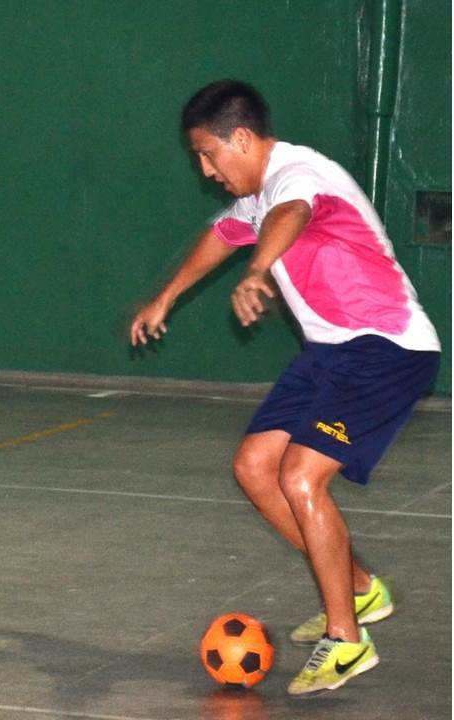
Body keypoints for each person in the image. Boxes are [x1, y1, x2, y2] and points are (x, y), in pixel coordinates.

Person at [129, 80, 440, 696]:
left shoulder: (299, 175)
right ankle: (359, 587)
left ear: (242, 139)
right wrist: (166, 297)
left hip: (386, 347)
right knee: (255, 467)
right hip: (329, 351)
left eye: (209, 154)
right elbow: (222, 234)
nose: (206, 170)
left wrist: (257, 271)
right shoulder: (256, 191)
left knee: (300, 477)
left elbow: (290, 216)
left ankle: (347, 640)